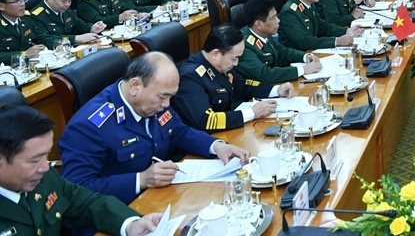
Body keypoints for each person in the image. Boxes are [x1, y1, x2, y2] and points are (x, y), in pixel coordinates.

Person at [58, 52, 249, 205]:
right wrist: (141, 180)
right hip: (119, 212)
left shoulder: (152, 103)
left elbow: (178, 131)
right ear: (135, 86)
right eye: (163, 97)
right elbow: (76, 189)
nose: (167, 105)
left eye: (170, 97)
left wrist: (217, 146)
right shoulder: (88, 126)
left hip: (160, 198)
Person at [0, 105, 162, 236]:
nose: (45, 167)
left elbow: (85, 203)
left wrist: (129, 224)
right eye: (34, 160)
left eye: (46, 155)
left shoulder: (43, 177)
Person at [173, 25, 294, 132]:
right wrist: (251, 113)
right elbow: (206, 120)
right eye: (234, 58)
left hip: (226, 132)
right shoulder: (190, 77)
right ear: (215, 54)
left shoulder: (219, 65)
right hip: (201, 144)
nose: (236, 64)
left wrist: (276, 90)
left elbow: (242, 84)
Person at [236, 0, 321, 84]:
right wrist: (302, 70)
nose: (278, 20)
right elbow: (265, 74)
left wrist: (305, 56)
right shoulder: (243, 45)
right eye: (273, 18)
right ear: (259, 24)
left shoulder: (263, 34)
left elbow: (283, 52)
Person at [278, 0, 361, 50]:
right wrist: (336, 41)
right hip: (299, 56)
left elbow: (322, 27)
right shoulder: (289, 12)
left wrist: (347, 31)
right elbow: (304, 41)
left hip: (311, 50)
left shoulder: (308, 4)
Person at [30, 0, 105, 48]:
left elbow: (78, 24)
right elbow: (45, 39)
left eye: (70, 1)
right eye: (64, 1)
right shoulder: (36, 16)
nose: (67, 5)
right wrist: (76, 39)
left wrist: (91, 28)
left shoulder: (65, 10)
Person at [0, 0, 44, 65]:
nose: (23, 4)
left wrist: (58, 44)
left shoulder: (25, 19)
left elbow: (40, 37)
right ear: (1, 6)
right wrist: (23, 55)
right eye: (17, 1)